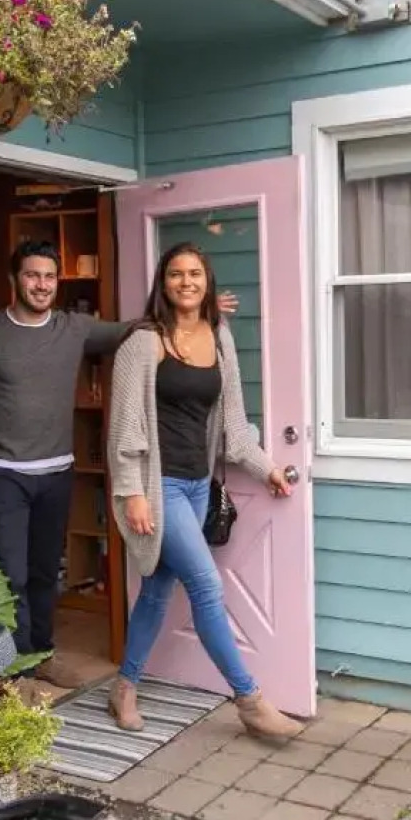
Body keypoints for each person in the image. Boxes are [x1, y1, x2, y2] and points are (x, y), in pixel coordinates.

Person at [0, 239, 237, 696]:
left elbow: (141, 329)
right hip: (5, 471)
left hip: (57, 471)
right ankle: (15, 672)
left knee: (45, 573)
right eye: (32, 275)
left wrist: (196, 306)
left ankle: (42, 653)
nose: (41, 284)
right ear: (14, 279)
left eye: (49, 277)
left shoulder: (74, 328)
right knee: (10, 575)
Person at [104, 241, 297, 740]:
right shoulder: (142, 343)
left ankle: (124, 686)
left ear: (207, 281)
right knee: (207, 587)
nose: (186, 282)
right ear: (163, 283)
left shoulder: (220, 335)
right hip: (159, 486)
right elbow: (124, 428)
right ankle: (249, 700)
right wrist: (132, 493)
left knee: (156, 590)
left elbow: (233, 421)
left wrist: (266, 468)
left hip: (196, 485)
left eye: (195, 273)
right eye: (176, 274)